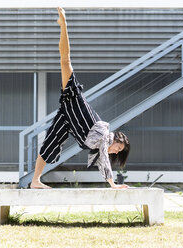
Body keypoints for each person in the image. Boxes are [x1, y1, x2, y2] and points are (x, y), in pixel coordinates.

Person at [30, 7, 130, 189]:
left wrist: (111, 183)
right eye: (118, 148)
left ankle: (35, 181)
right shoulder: (106, 136)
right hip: (74, 101)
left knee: (49, 144)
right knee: (65, 60)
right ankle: (63, 25)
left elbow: (102, 160)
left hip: (67, 117)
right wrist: (113, 184)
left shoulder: (100, 145)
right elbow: (105, 159)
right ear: (117, 139)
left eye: (118, 151)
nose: (115, 151)